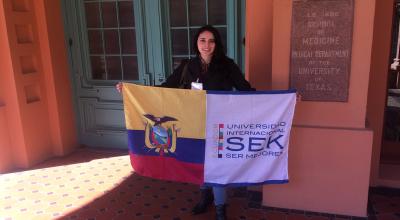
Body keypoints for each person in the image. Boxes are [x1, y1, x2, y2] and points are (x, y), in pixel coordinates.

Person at [116, 25, 255, 220]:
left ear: (217, 44)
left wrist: (282, 100)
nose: (207, 45)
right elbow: (164, 90)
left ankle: (221, 208)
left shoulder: (227, 65)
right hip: (193, 126)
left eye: (211, 40)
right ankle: (205, 196)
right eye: (202, 40)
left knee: (217, 166)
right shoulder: (187, 66)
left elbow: (246, 90)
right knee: (200, 161)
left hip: (218, 125)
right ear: (196, 43)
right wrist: (132, 91)